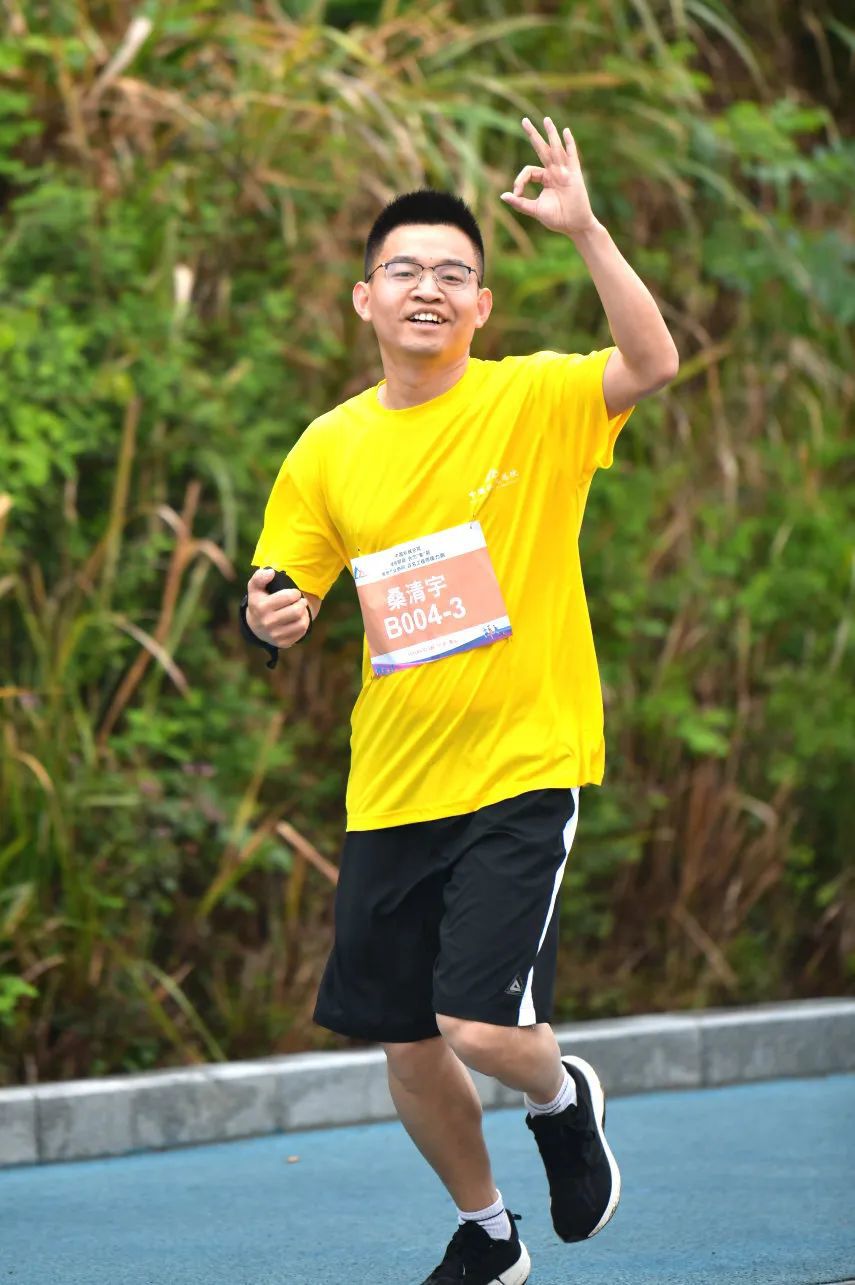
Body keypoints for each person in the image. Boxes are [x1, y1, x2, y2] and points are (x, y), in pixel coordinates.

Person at [240, 116, 679, 1285]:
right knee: (407, 1045)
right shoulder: (327, 447)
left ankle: (561, 1093)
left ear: (482, 305)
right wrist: (269, 615)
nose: (426, 288)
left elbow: (652, 363)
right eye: (404, 271)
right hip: (393, 781)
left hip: (522, 762)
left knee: (480, 1026)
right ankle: (489, 1234)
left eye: (451, 273)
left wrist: (586, 232)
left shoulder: (534, 398)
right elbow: (283, 581)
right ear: (364, 300)